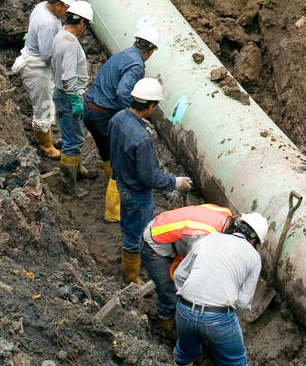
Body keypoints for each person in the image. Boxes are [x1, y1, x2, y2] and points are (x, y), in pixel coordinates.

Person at [173, 211, 268, 366]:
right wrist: (226, 321)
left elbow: (180, 275)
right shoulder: (253, 257)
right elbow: (243, 300)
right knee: (236, 363)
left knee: (184, 351)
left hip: (183, 308)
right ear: (255, 240)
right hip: (218, 316)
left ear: (237, 225)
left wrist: (190, 301)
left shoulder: (211, 238)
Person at [108, 77, 192, 283]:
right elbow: (150, 176)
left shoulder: (118, 118)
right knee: (138, 232)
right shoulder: (141, 139)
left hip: (122, 182)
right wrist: (175, 182)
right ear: (151, 105)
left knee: (129, 223)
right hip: (137, 192)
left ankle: (129, 251)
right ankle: (131, 277)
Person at [83, 26, 160, 224]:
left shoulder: (123, 54)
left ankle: (114, 187)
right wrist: (133, 116)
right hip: (103, 113)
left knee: (107, 151)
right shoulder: (136, 65)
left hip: (91, 109)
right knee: (119, 163)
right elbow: (122, 92)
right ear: (151, 51)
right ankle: (113, 211)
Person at [141, 203, 233, 339]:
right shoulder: (204, 238)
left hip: (165, 227)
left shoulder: (226, 213)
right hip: (153, 246)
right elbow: (187, 271)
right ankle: (166, 327)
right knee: (170, 294)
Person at [11, 0, 77, 159]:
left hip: (35, 62)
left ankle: (46, 139)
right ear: (58, 4)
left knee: (46, 102)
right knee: (43, 106)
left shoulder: (41, 6)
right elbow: (48, 55)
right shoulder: (48, 23)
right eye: (67, 8)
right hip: (37, 69)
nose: (67, 13)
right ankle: (46, 146)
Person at [49, 0, 96, 196]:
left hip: (63, 94)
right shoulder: (69, 43)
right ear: (82, 23)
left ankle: (76, 170)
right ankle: (69, 182)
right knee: (72, 141)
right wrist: (76, 101)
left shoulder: (61, 35)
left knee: (73, 135)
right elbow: (68, 75)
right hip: (69, 96)